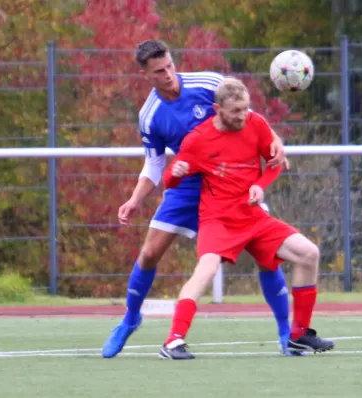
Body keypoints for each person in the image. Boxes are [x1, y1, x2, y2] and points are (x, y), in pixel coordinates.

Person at [102, 39, 296, 358]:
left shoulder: (208, 83)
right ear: (145, 74)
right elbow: (153, 163)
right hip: (188, 184)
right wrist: (135, 199)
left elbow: (248, 115)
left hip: (231, 183)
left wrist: (275, 141)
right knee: (149, 253)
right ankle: (130, 319)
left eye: (170, 66)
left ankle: (285, 334)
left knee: (266, 254)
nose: (168, 75)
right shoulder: (149, 115)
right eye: (159, 72)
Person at [158, 77, 335, 360]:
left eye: (245, 108)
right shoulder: (199, 140)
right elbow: (169, 181)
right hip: (218, 220)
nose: (242, 115)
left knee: (308, 253)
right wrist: (175, 173)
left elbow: (275, 164)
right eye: (235, 111)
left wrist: (260, 184)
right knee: (205, 270)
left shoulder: (256, 124)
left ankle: (299, 336)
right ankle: (173, 341)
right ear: (217, 109)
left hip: (253, 217)